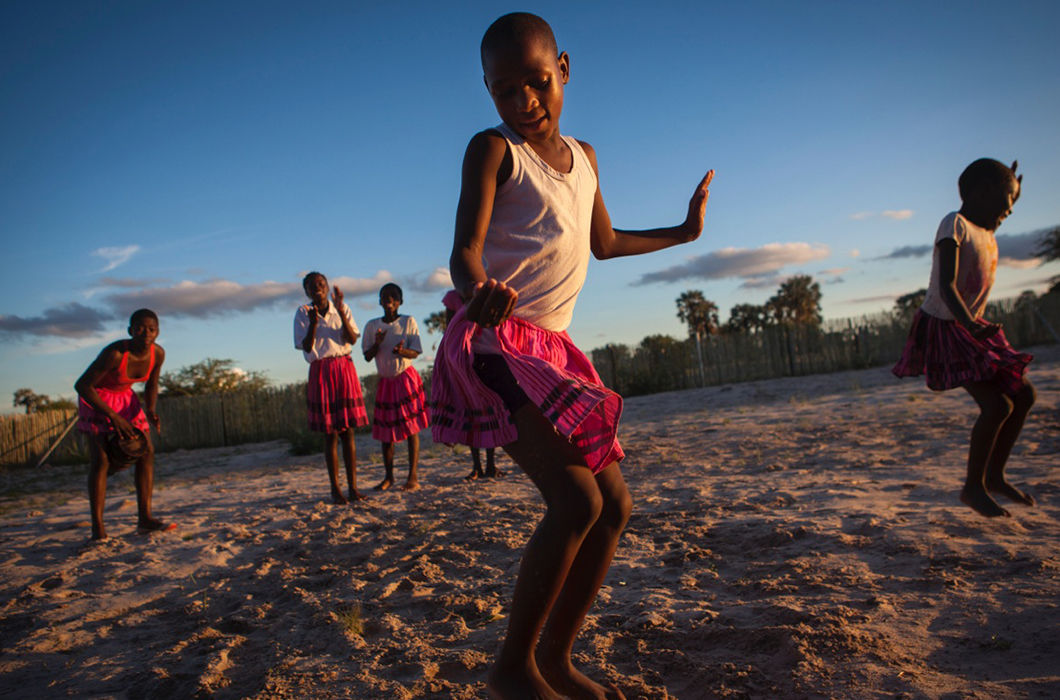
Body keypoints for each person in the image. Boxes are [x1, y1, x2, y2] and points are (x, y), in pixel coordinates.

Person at [431, 13, 714, 698]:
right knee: (574, 500)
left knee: (612, 506)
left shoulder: (584, 157)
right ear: (488, 92)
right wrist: (479, 288)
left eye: (535, 82)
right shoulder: (492, 150)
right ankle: (511, 670)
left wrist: (683, 231)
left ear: (563, 67)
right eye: (505, 91)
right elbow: (463, 251)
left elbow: (605, 243)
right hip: (498, 339)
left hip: (553, 350)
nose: (524, 102)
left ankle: (553, 659)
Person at [893, 158, 1035, 518]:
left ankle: (994, 476)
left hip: (971, 325)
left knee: (1023, 394)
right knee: (997, 406)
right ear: (981, 193)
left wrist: (1011, 189)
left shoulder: (986, 228)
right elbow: (947, 284)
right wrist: (969, 325)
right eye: (1005, 202)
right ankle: (973, 488)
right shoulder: (953, 224)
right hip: (947, 325)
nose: (1009, 212)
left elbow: (998, 207)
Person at [75, 308, 171, 540]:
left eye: (151, 329)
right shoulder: (115, 354)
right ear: (130, 330)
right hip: (98, 399)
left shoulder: (157, 354)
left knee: (147, 452)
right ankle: (98, 529)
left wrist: (150, 409)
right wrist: (113, 417)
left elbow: (151, 385)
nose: (146, 333)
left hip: (126, 400)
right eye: (139, 328)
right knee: (102, 460)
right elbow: (83, 385)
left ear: (158, 332)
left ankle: (145, 518)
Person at [294, 271, 369, 503]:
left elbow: (352, 339)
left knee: (348, 431)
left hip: (344, 368)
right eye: (312, 286)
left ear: (326, 287)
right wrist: (314, 324)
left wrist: (340, 309)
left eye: (321, 284)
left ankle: (353, 487)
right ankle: (335, 489)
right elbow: (305, 346)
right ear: (306, 291)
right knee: (330, 434)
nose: (317, 288)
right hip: (321, 371)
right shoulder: (303, 313)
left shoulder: (342, 308)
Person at [362, 283, 429, 491]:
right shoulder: (372, 326)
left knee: (411, 428)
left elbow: (416, 351)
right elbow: (367, 356)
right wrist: (377, 343)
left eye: (393, 297)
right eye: (385, 296)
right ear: (380, 301)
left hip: (405, 378)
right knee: (386, 432)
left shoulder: (408, 322)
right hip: (386, 381)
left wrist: (402, 351)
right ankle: (389, 476)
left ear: (400, 302)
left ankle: (412, 476)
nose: (389, 300)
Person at [442, 289, 501, 481]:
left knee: (488, 409)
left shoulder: (487, 291)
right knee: (471, 412)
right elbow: (450, 327)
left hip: (486, 353)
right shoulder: (453, 298)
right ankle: (477, 466)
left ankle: (491, 464)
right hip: (464, 355)